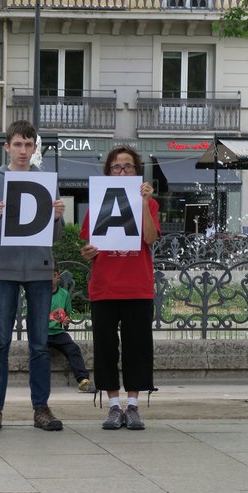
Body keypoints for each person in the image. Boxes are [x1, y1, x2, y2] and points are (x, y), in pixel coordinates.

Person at [0, 119, 66, 432]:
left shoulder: (46, 180)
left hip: (40, 270)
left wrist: (57, 217)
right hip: (3, 269)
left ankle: (41, 408)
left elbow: (54, 236)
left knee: (40, 344)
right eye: (18, 144)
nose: (24, 151)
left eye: (29, 145)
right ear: (7, 146)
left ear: (34, 147)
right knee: (0, 341)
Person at [79, 145, 161, 431]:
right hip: (105, 287)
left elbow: (150, 238)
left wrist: (143, 204)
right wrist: (87, 253)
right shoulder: (99, 203)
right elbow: (88, 247)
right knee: (106, 348)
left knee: (137, 348)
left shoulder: (148, 203)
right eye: (117, 167)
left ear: (136, 171)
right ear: (108, 171)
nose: (122, 171)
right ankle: (114, 405)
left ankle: (134, 405)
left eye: (127, 167)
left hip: (137, 287)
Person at [48, 267, 92, 393]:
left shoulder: (64, 294)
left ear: (58, 277)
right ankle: (40, 383)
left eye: (53, 275)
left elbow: (66, 316)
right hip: (42, 333)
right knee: (40, 353)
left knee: (73, 349)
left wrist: (66, 320)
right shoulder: (39, 293)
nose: (50, 279)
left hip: (58, 333)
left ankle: (83, 380)